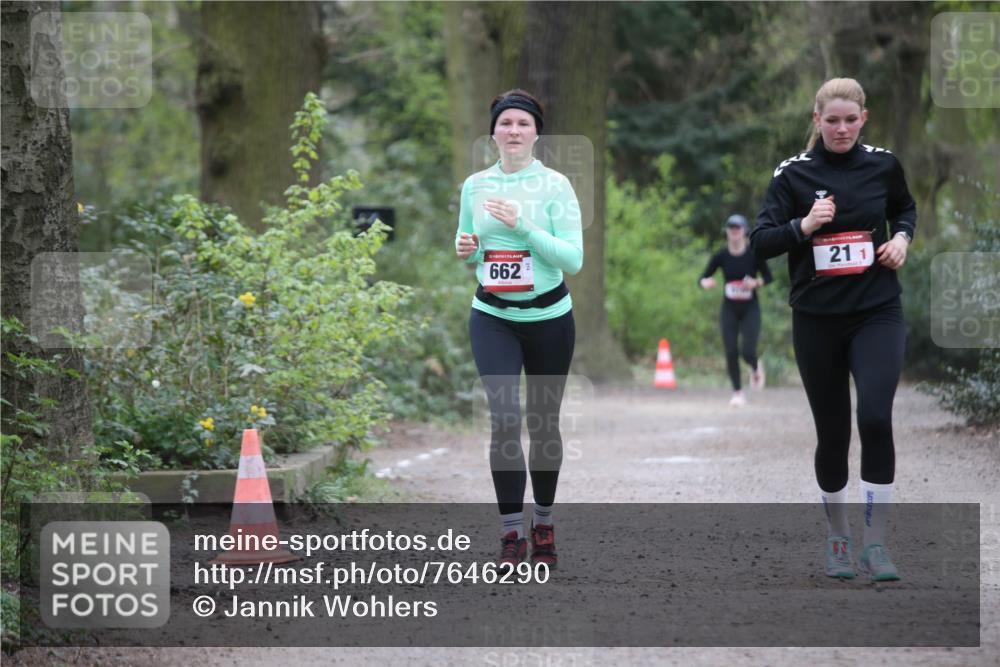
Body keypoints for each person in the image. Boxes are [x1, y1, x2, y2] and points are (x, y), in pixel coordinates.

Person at [750, 78, 915, 582]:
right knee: (834, 431)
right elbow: (760, 243)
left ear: (863, 118)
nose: (841, 129)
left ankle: (877, 543)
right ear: (817, 121)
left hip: (877, 312)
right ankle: (839, 538)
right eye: (831, 120)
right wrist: (804, 225)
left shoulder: (884, 164)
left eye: (850, 119)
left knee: (875, 416)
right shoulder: (793, 175)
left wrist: (903, 239)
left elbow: (903, 208)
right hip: (818, 320)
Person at [455, 89, 583, 570]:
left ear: (536, 133)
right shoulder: (475, 185)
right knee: (505, 419)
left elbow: (573, 258)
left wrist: (525, 227)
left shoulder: (556, 186)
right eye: (505, 122)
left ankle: (543, 522)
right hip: (492, 317)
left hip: (550, 318)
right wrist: (465, 246)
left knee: (543, 425)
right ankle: (512, 533)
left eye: (523, 124)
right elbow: (466, 237)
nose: (513, 130)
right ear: (493, 131)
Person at [699, 214, 773, 406]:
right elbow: (703, 277)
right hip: (729, 308)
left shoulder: (753, 254)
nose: (734, 231)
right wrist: (705, 282)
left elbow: (768, 277)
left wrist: (755, 283)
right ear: (727, 232)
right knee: (730, 350)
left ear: (745, 232)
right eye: (731, 228)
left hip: (750, 308)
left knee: (747, 351)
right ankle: (738, 392)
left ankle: (756, 368)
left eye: (737, 228)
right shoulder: (721, 256)